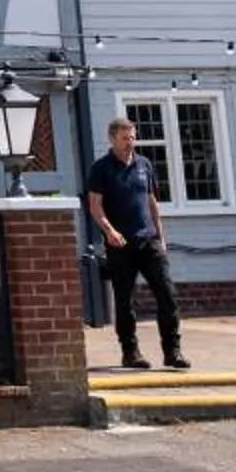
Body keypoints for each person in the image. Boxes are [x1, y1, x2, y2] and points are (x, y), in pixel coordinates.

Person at [84, 116, 186, 370]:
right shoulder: (101, 168)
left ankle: (173, 352)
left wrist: (161, 237)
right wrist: (109, 231)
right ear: (112, 139)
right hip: (120, 244)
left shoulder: (144, 165)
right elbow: (94, 205)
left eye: (133, 137)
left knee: (167, 294)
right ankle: (130, 352)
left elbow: (151, 202)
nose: (130, 142)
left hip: (148, 239)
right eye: (125, 138)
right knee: (124, 299)